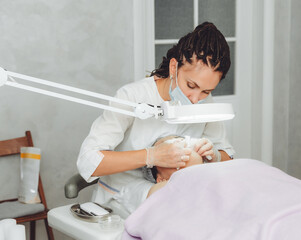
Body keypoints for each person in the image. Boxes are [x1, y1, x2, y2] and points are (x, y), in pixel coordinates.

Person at [77, 22, 235, 219]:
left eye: (206, 91)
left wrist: (214, 156)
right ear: (173, 67)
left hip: (181, 196)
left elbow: (228, 156)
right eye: (191, 85)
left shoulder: (205, 102)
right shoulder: (133, 96)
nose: (195, 99)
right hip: (122, 199)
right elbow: (88, 162)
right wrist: (151, 156)